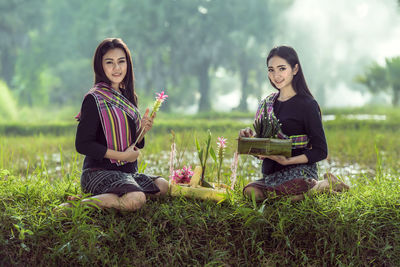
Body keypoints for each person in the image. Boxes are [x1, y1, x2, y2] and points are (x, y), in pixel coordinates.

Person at [60, 38, 168, 211]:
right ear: (100, 66)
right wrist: (122, 157)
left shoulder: (128, 97)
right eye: (109, 62)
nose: (117, 68)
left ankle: (102, 198)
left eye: (121, 61)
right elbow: (82, 144)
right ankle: (76, 206)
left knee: (162, 185)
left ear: (128, 64)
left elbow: (135, 143)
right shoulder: (94, 98)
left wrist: (143, 129)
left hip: (126, 174)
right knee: (136, 198)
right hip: (98, 172)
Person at [240, 45, 349, 202]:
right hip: (272, 176)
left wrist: (287, 160)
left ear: (295, 69)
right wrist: (249, 141)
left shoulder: (307, 104)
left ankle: (322, 186)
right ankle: (320, 188)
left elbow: (320, 151)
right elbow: (263, 151)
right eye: (271, 70)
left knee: (287, 194)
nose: (276, 75)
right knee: (250, 192)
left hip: (299, 173)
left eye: (282, 68)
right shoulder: (268, 103)